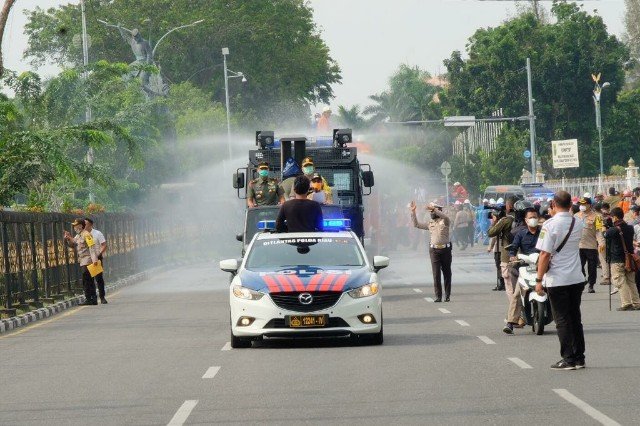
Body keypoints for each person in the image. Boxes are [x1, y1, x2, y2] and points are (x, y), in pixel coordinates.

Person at [535, 191, 586, 370]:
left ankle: (568, 359)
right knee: (575, 318)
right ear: (570, 205)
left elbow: (544, 254)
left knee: (562, 320)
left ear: (554, 205)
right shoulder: (577, 222)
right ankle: (579, 357)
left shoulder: (549, 225)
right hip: (576, 277)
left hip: (558, 279)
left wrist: (539, 279)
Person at [504, 207, 541, 334]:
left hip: (542, 267)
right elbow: (513, 247)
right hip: (526, 267)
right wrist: (512, 256)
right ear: (526, 220)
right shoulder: (520, 234)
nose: (533, 219)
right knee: (517, 294)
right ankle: (510, 322)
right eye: (530, 217)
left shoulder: (543, 233)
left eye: (535, 217)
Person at [410, 200, 452, 302]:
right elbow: (417, 225)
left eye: (432, 212)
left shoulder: (445, 221)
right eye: (430, 212)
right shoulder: (430, 223)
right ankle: (438, 296)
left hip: (445, 250)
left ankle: (447, 295)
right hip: (434, 251)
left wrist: (434, 209)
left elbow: (445, 217)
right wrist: (413, 212)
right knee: (436, 274)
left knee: (447, 273)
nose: (431, 214)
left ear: (438, 211)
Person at [604, 207, 640, 310]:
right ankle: (636, 303)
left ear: (615, 217)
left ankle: (626, 303)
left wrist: (605, 226)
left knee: (619, 281)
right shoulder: (630, 228)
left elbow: (605, 235)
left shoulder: (613, 230)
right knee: (631, 282)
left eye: (612, 217)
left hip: (617, 259)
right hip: (630, 259)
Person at [63, 219, 100, 306]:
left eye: (76, 226)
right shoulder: (78, 235)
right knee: (89, 280)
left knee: (86, 280)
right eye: (74, 226)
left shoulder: (87, 234)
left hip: (88, 260)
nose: (74, 227)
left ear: (81, 226)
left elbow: (91, 247)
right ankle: (93, 299)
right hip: (83, 260)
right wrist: (68, 238)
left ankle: (89, 299)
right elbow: (73, 244)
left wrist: (94, 260)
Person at [574, 196, 604, 293]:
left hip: (591, 246)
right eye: (581, 204)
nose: (582, 206)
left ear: (589, 205)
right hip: (578, 246)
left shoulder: (597, 217)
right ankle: (582, 279)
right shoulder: (576, 216)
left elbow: (599, 231)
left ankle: (591, 284)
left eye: (584, 204)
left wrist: (601, 242)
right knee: (579, 266)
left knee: (592, 267)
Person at [84, 218, 108, 304]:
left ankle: (102, 297)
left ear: (91, 225)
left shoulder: (97, 233)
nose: (84, 226)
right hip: (87, 259)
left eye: (86, 224)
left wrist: (99, 254)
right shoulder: (82, 234)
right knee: (89, 279)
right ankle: (92, 298)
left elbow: (104, 245)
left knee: (98, 278)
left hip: (97, 258)